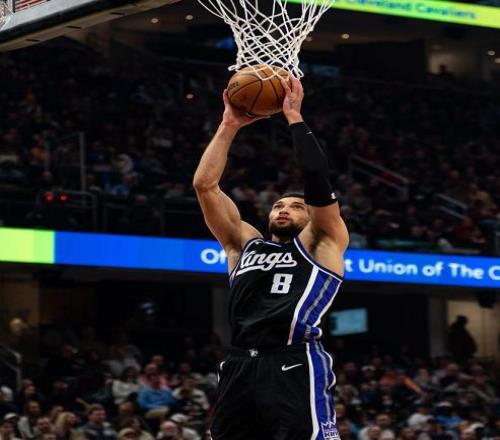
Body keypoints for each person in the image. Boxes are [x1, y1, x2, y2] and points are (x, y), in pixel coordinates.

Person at [193, 77, 349, 439]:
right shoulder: (244, 245)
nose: (283, 209)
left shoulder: (321, 242)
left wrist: (294, 117)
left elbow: (316, 177)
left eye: (296, 206)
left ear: (311, 215)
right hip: (239, 363)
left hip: (293, 359)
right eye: (278, 205)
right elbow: (205, 186)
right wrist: (229, 125)